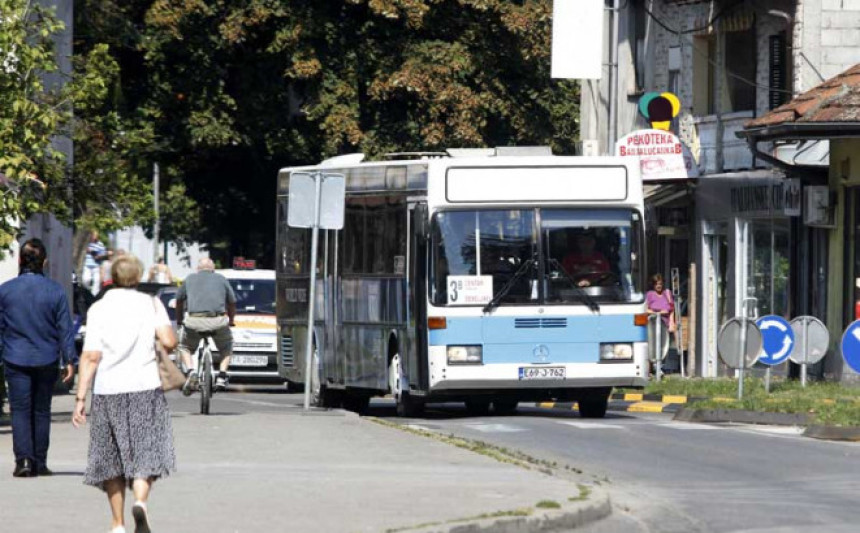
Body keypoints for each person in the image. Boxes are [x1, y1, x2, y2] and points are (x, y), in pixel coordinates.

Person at [72, 254, 177, 533]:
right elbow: (169, 341)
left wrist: (80, 398)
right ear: (138, 276)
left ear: (113, 278)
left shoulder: (99, 308)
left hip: (109, 390)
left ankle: (117, 523)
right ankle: (140, 502)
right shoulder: (151, 303)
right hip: (145, 387)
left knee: (110, 458)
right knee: (147, 452)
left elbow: (91, 356)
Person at [0, 238, 76, 477]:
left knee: (20, 410)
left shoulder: (5, 291)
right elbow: (65, 329)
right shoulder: (55, 291)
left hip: (15, 357)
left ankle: (24, 460)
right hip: (46, 357)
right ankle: (40, 462)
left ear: (20, 261)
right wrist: (70, 360)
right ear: (44, 262)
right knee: (42, 410)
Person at [176, 258, 236, 393]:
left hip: (194, 321)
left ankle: (191, 372)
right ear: (213, 269)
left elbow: (179, 301)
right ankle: (222, 375)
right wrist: (231, 320)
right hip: (217, 321)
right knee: (227, 347)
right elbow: (232, 302)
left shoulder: (189, 279)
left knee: (184, 347)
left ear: (198, 269)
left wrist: (179, 320)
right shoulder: (221, 279)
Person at [82, 231, 109, 296]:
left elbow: (104, 253)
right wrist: (88, 250)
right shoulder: (87, 243)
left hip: (96, 265)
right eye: (93, 236)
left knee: (96, 282)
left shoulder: (100, 244)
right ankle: (87, 293)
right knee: (86, 280)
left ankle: (94, 296)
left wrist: (98, 256)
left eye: (95, 236)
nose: (94, 237)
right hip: (87, 265)